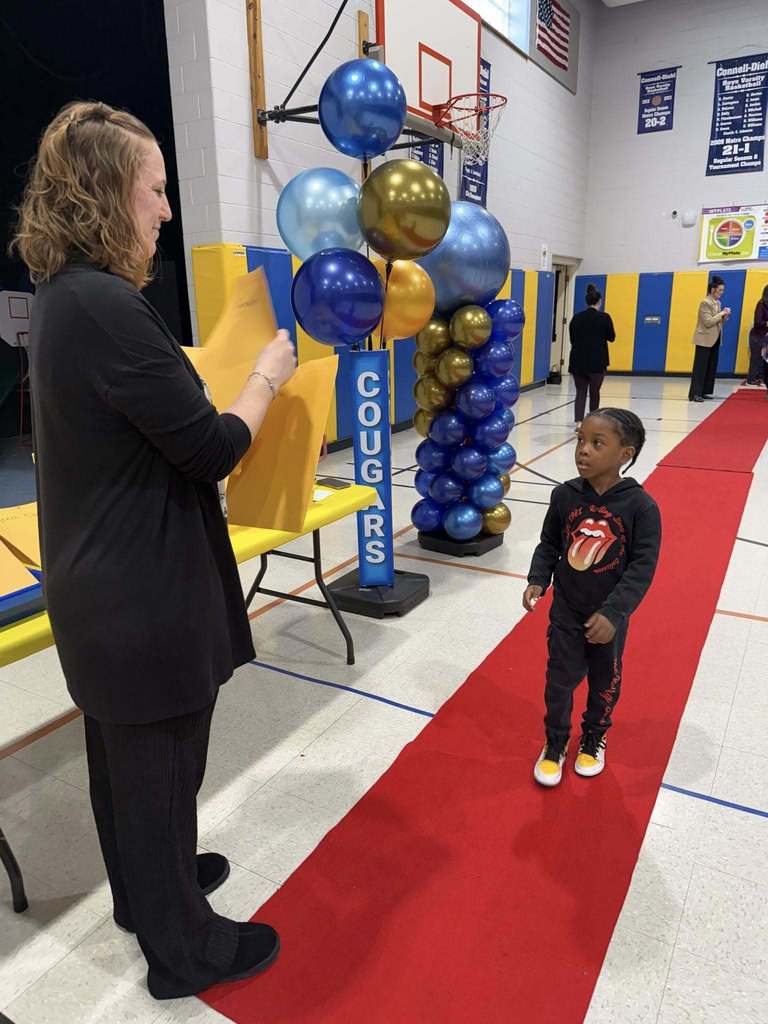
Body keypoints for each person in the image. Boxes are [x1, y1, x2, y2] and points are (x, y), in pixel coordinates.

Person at [11, 101, 297, 999]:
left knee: (128, 770)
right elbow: (210, 447)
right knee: (162, 768)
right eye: (157, 190)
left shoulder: (66, 299)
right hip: (140, 596)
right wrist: (263, 380)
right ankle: (185, 950)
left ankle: (150, 890)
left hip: (105, 586)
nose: (167, 211)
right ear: (107, 192)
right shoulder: (107, 306)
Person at [522, 409, 661, 787]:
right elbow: (550, 543)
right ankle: (555, 744)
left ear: (624, 454)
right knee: (559, 680)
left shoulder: (641, 507)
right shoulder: (564, 495)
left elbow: (642, 568)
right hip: (566, 609)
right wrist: (538, 579)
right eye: (580, 440)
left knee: (604, 681)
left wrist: (614, 613)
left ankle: (594, 737)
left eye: (597, 444)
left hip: (608, 617)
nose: (583, 450)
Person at [568, 283, 616, 429]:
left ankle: (578, 422)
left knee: (580, 392)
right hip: (597, 361)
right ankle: (593, 421)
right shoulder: (604, 317)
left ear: (586, 301)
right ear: (599, 301)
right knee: (594, 392)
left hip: (578, 361)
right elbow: (611, 337)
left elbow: (572, 339)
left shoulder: (576, 318)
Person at [689, 275, 730, 403]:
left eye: (723, 290)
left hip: (715, 338)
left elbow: (718, 322)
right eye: (720, 290)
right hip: (704, 339)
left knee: (710, 366)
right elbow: (707, 322)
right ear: (713, 289)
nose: (722, 293)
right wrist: (722, 313)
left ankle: (704, 391)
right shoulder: (705, 302)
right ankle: (695, 393)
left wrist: (724, 316)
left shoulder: (717, 303)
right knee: (700, 367)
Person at [746, 284, 768, 389]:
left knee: (763, 359)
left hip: (764, 336)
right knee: (755, 358)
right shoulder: (761, 304)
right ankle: (751, 380)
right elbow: (757, 322)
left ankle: (760, 377)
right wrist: (767, 323)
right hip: (757, 336)